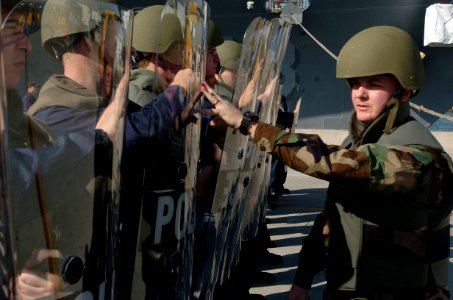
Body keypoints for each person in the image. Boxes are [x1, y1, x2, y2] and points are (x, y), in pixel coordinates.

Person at [200, 26, 453, 300]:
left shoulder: (424, 158)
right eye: (356, 84)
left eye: (374, 85)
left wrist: (250, 125)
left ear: (404, 92)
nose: (360, 94)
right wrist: (303, 279)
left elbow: (340, 164)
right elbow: (331, 219)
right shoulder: (356, 144)